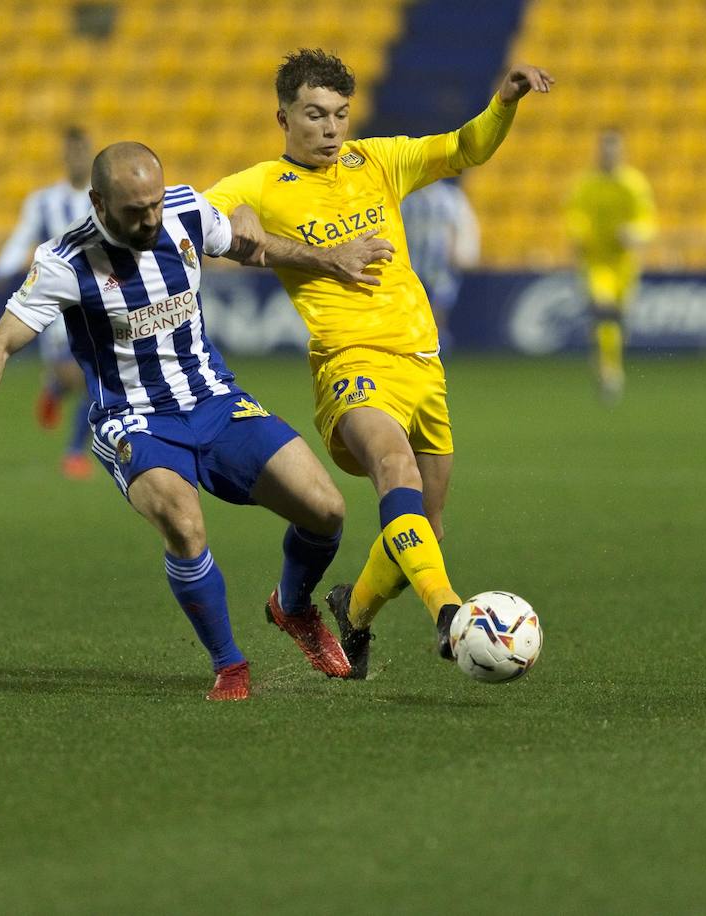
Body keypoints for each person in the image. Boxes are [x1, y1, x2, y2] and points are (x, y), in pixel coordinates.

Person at [0, 142, 357, 700]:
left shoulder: (185, 209)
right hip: (133, 420)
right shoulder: (64, 263)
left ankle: (293, 606)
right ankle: (230, 664)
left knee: (326, 510)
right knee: (184, 523)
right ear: (99, 203)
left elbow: (249, 247)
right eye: (135, 210)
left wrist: (332, 258)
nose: (150, 218)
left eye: (154, 203)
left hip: (214, 400)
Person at [206, 49, 553, 678]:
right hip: (350, 364)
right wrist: (241, 226)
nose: (331, 128)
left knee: (428, 529)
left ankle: (354, 613)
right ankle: (450, 614)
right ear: (282, 117)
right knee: (395, 468)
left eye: (339, 114)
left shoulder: (375, 161)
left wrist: (504, 103)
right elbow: (201, 220)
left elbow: (464, 148)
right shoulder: (260, 182)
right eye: (314, 115)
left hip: (423, 364)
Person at [0, 126, 98, 479]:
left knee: (90, 378)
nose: (76, 158)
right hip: (55, 303)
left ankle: (73, 453)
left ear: (91, 154)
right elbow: (23, 234)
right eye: (71, 152)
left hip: (96, 300)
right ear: (65, 157)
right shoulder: (44, 201)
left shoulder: (104, 198)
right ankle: (54, 389)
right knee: (75, 376)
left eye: (82, 151)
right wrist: (2, 268)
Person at [564, 127, 656, 403]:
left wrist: (635, 233)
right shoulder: (585, 185)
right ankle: (610, 373)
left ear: (622, 151)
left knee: (616, 321)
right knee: (604, 310)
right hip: (596, 262)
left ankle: (607, 363)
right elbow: (574, 217)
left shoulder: (634, 185)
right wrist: (579, 235)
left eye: (614, 147)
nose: (608, 153)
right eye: (605, 147)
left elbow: (648, 223)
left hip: (624, 263)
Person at [399, 177, 480, 347]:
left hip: (440, 266)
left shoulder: (450, 196)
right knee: (412, 314)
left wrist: (463, 253)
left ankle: (436, 347)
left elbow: (462, 226)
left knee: (437, 312)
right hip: (409, 267)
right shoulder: (405, 196)